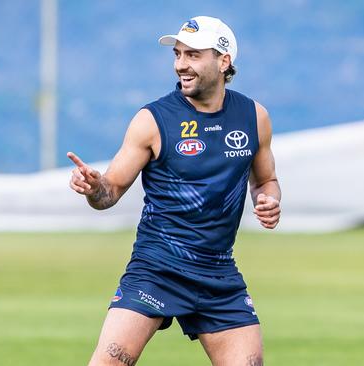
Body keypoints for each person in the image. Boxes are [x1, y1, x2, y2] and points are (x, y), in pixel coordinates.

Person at [68, 16, 281, 365]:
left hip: (218, 274)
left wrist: (268, 199)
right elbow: (110, 191)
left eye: (194, 55)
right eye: (178, 54)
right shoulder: (153, 120)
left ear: (224, 61)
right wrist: (94, 187)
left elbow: (265, 180)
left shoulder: (254, 117)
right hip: (157, 269)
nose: (181, 64)